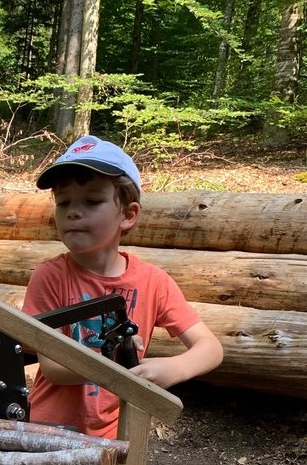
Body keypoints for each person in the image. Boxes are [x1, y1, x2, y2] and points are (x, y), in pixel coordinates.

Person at [22, 135, 223, 438]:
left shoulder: (153, 281)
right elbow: (51, 367)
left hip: (117, 435)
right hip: (48, 430)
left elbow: (211, 348)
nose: (73, 212)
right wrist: (109, 360)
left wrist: (174, 369)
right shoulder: (50, 276)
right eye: (63, 202)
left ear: (128, 215)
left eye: (92, 201)